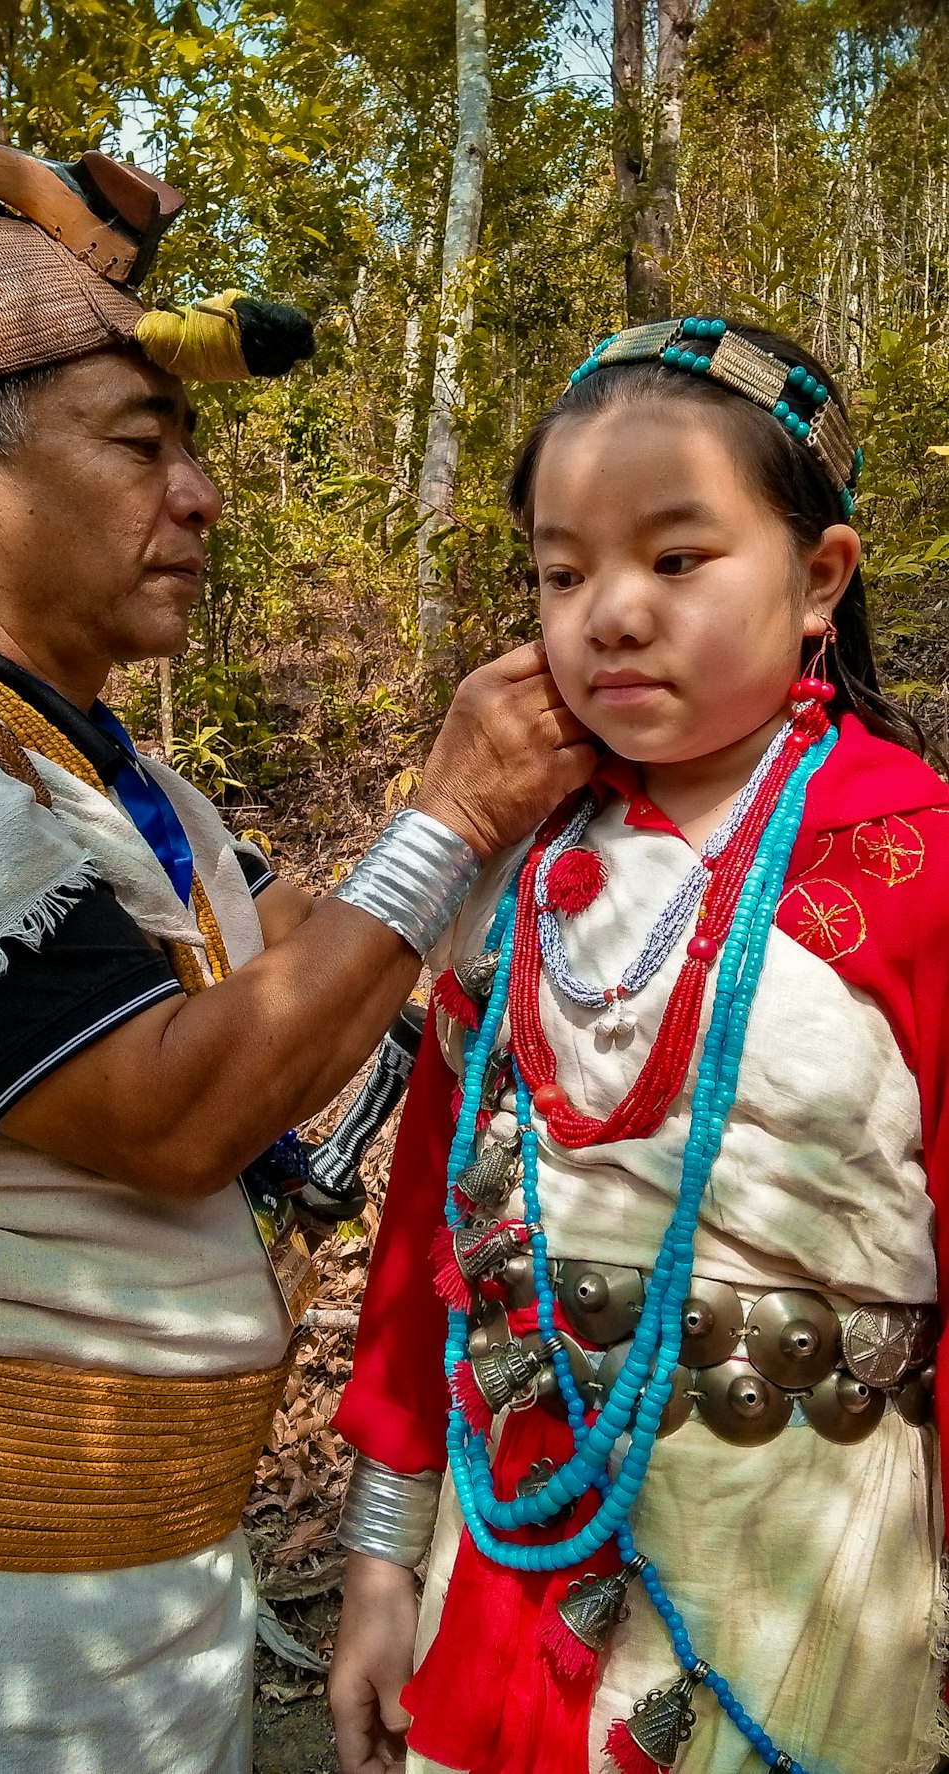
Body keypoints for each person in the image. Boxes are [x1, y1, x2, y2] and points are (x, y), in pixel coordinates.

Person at [0, 133, 597, 1774]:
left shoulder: (110, 769)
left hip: (163, 1596)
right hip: (5, 1646)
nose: (198, 495)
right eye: (138, 442)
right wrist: (450, 810)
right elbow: (180, 1111)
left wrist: (520, 837)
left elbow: (289, 944)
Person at [329, 316, 949, 1774]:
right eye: (562, 571)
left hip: (814, 1580)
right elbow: (429, 1235)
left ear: (820, 580)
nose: (609, 611)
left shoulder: (916, 864)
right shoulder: (519, 873)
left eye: (676, 559)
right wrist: (378, 1558)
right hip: (511, 1564)